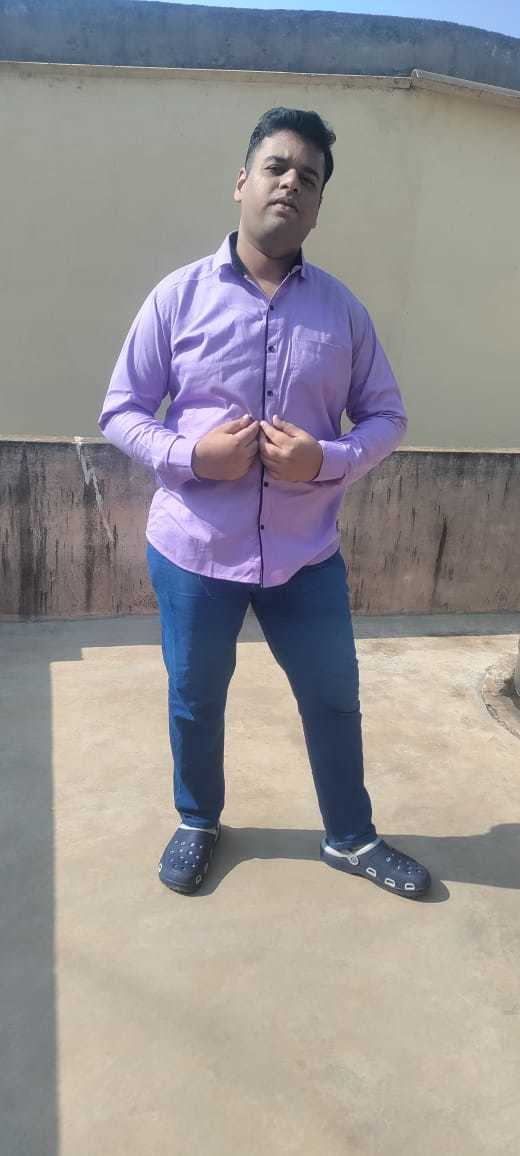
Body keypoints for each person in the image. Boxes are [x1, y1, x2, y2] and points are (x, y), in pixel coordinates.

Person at [99, 106, 431, 900]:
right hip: (195, 551)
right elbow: (121, 409)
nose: (291, 184)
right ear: (242, 181)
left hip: (305, 555)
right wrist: (191, 456)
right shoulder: (177, 298)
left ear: (317, 208)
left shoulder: (342, 313)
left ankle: (350, 836)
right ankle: (197, 820)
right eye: (277, 167)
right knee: (194, 698)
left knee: (332, 698)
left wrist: (326, 460)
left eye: (308, 178)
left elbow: (387, 416)